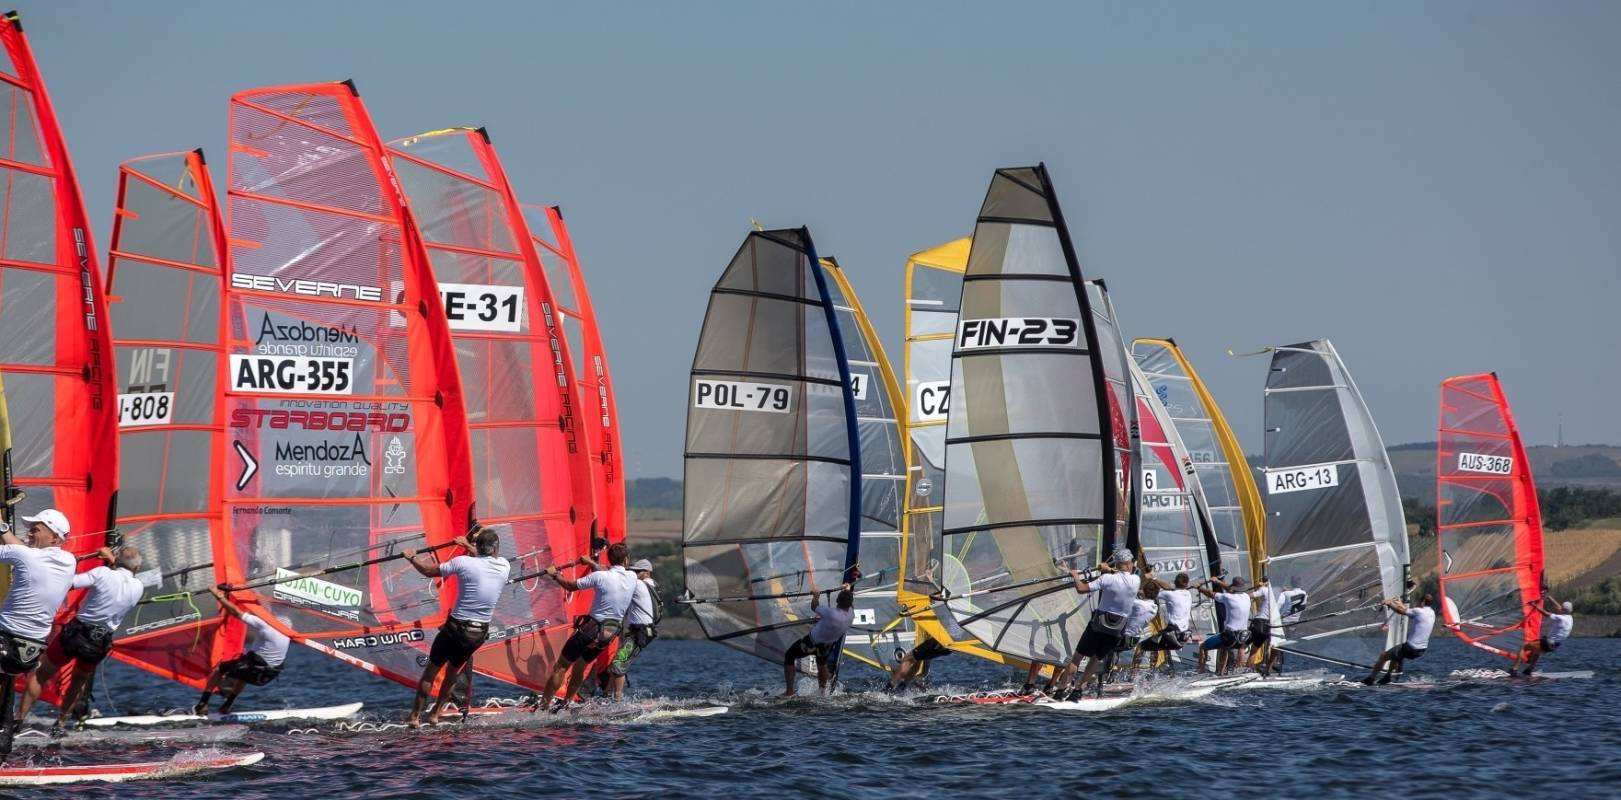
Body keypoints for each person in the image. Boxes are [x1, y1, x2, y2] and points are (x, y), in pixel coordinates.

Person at [17, 545, 144, 734]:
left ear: (117, 561)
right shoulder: (139, 586)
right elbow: (121, 576)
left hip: (76, 632)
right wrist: (112, 560)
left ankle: (18, 721)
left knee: (40, 675)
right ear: (137, 568)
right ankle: (60, 725)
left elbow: (70, 583)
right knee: (77, 683)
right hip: (99, 642)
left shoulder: (102, 573)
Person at [404, 527, 509, 727]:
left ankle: (414, 717)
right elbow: (483, 557)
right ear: (496, 548)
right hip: (477, 634)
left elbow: (428, 571)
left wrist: (412, 557)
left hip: (454, 628)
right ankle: (435, 714)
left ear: (478, 546)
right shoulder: (504, 566)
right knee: (452, 674)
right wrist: (468, 544)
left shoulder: (462, 562)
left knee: (431, 672)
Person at [0, 510, 76, 755]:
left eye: (35, 529)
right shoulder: (69, 561)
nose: (29, 533)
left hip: (6, 643)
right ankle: (2, 749)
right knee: (5, 690)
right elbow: (26, 552)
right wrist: (3, 528)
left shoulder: (25, 555)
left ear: (54, 537)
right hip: (29, 654)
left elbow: (22, 553)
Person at [531, 542, 639, 712]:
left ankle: (543, 708)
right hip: (610, 634)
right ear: (626, 560)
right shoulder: (632, 577)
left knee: (561, 667)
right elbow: (608, 574)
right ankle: (566, 704)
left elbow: (570, 586)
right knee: (580, 665)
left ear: (609, 559)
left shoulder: (600, 577)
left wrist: (555, 575)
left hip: (591, 629)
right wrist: (590, 563)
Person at [1054, 549, 1165, 699]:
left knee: (1077, 658)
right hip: (1117, 630)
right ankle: (1078, 690)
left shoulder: (1106, 579)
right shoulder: (1135, 581)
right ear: (1129, 563)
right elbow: (1124, 575)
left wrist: (1075, 576)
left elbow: (1081, 588)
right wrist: (1109, 569)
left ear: (1117, 563)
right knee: (1095, 659)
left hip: (1098, 624)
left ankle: (1061, 690)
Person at [194, 586, 291, 715]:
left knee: (219, 669)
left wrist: (220, 597)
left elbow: (235, 612)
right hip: (267, 675)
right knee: (245, 669)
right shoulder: (287, 625)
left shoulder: (264, 625)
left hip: (255, 670)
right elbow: (267, 609)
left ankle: (203, 704)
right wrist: (254, 591)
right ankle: (227, 705)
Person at [601, 559, 660, 701]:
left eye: (638, 571)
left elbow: (617, 580)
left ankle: (618, 701)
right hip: (642, 631)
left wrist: (599, 567)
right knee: (616, 663)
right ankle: (606, 696)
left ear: (647, 572)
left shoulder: (639, 584)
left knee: (618, 664)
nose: (634, 573)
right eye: (633, 571)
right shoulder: (653, 584)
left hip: (640, 633)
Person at [783, 584, 854, 696]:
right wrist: (848, 590)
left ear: (837, 601)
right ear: (850, 604)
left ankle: (789, 691)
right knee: (821, 665)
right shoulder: (851, 614)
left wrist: (816, 596)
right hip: (826, 646)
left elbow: (814, 606)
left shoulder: (831, 613)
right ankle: (822, 692)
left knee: (789, 655)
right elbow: (850, 603)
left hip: (811, 643)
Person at [1361, 594, 1435, 685]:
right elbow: (1407, 610)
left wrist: (1389, 604)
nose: (1417, 603)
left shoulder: (1419, 611)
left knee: (1383, 656)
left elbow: (1401, 611)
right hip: (1421, 650)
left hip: (1410, 648)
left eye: (1419, 601)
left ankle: (1371, 679)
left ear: (1423, 602)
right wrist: (1399, 603)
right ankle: (1387, 677)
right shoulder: (1431, 612)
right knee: (1396, 655)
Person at [1136, 573, 1197, 674]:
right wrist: (1154, 578)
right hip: (1183, 637)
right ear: (1186, 584)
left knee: (1141, 646)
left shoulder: (1170, 594)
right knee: (1155, 644)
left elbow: (1150, 593)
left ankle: (1133, 674)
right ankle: (1152, 672)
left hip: (1172, 635)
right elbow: (1169, 588)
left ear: (1175, 582)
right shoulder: (1188, 593)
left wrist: (1136, 590)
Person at [1195, 576, 1253, 675]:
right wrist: (1217, 581)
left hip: (1229, 636)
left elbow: (1211, 594)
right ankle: (1238, 670)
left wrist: (1199, 587)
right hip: (1243, 635)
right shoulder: (1247, 596)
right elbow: (1229, 589)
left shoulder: (1228, 597)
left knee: (1203, 647)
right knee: (1236, 647)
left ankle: (1201, 672)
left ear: (1233, 587)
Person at [1511, 594, 1574, 677]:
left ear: (1563, 609)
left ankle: (1514, 669)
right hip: (1554, 646)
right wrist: (1550, 597)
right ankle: (1529, 670)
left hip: (1547, 643)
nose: (1560, 608)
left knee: (1524, 647)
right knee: (1537, 651)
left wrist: (1534, 605)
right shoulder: (1570, 618)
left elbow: (1545, 613)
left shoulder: (1561, 618)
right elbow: (1559, 608)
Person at [887, 636, 953, 693]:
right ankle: (901, 688)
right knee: (918, 659)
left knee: (908, 659)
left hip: (938, 642)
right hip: (950, 647)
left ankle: (888, 689)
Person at [1121, 583, 1159, 679]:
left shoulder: (1138, 603)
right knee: (1145, 641)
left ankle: (1132, 673)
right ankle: (1137, 673)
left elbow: (1125, 598)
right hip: (1136, 638)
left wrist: (1135, 591)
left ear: (1144, 592)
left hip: (1125, 637)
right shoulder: (1154, 607)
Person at [1241, 578, 1274, 675]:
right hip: (1269, 625)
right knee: (1254, 650)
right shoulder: (1278, 593)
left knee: (1242, 646)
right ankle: (1249, 670)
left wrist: (1259, 587)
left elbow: (1247, 596)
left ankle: (1239, 669)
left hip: (1259, 622)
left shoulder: (1264, 589)